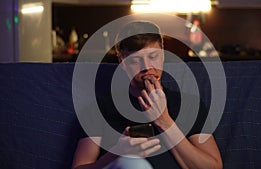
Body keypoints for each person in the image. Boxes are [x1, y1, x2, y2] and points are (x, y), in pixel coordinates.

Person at [72, 21, 222, 169]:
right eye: (135, 60)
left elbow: (213, 167)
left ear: (163, 56)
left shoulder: (189, 104)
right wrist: (116, 154)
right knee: (133, 164)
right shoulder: (99, 108)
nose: (147, 67)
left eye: (153, 57)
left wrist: (164, 121)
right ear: (122, 62)